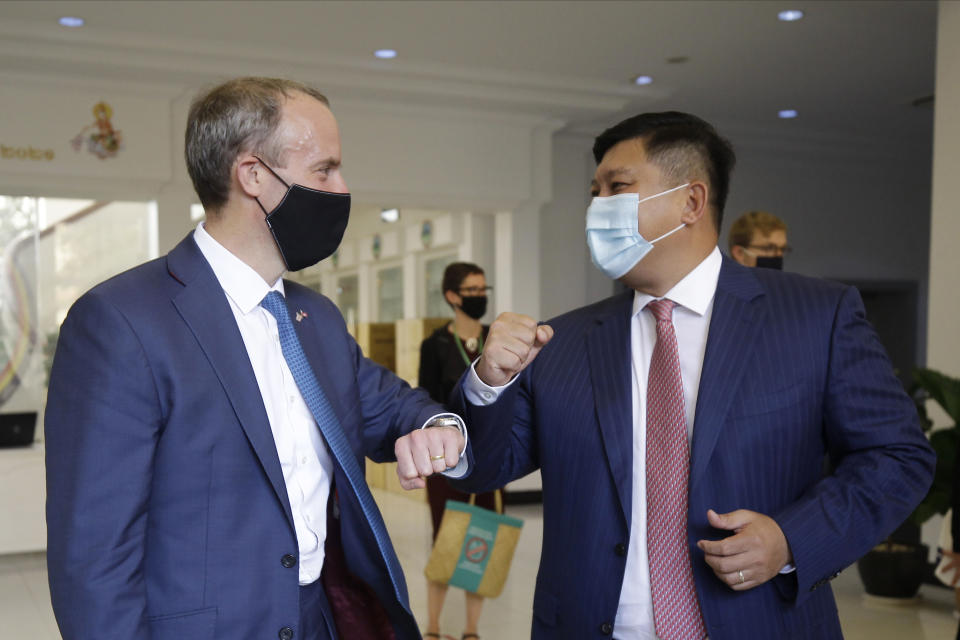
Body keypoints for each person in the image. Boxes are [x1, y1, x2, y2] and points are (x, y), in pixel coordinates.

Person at [449, 111, 935, 639]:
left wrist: (791, 539)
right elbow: (483, 468)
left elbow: (897, 456)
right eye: (594, 192)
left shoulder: (816, 317)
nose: (597, 208)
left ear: (691, 202)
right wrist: (489, 380)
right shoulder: (561, 343)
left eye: (617, 187)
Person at [44, 77, 467, 640]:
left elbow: (391, 405)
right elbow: (93, 560)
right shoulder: (120, 322)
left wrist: (433, 425)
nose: (342, 188)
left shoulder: (316, 318)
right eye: (324, 170)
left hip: (324, 618)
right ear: (253, 176)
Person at [418, 262, 500, 640]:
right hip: (448, 465)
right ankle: (433, 629)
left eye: (484, 288)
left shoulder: (496, 339)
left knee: (480, 545)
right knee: (447, 545)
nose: (480, 296)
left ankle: (471, 631)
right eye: (472, 290)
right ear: (452, 296)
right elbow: (426, 405)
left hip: (493, 462)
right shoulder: (434, 346)